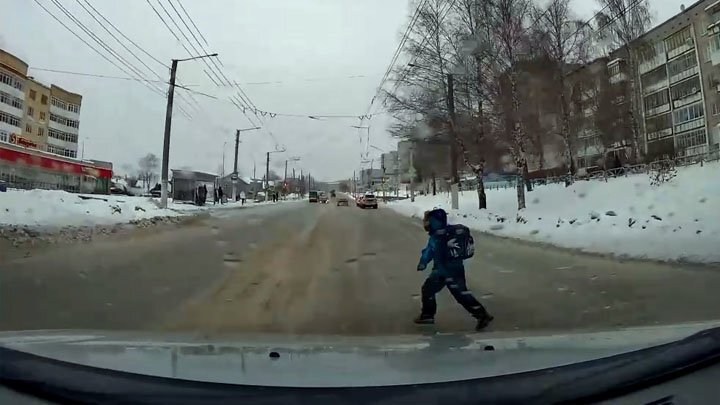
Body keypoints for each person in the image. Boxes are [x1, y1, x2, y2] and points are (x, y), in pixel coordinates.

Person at [414, 208, 493, 331]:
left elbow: (429, 252)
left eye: (428, 221)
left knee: (438, 291)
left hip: (443, 271)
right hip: (455, 269)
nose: (426, 223)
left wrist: (422, 263)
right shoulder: (449, 231)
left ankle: (482, 315)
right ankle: (481, 314)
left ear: (433, 222)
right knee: (456, 293)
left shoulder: (437, 236)